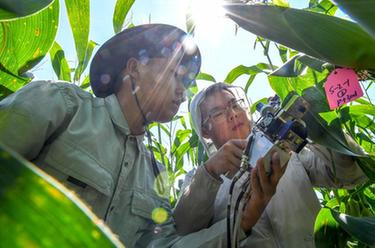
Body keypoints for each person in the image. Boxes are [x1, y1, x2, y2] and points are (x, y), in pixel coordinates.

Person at [173, 83, 368, 247]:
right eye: (217, 113)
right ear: (205, 132)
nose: (232, 114)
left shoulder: (287, 154)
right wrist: (210, 172)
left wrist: (317, 127)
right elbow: (183, 230)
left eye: (235, 104)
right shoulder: (200, 178)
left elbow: (351, 173)